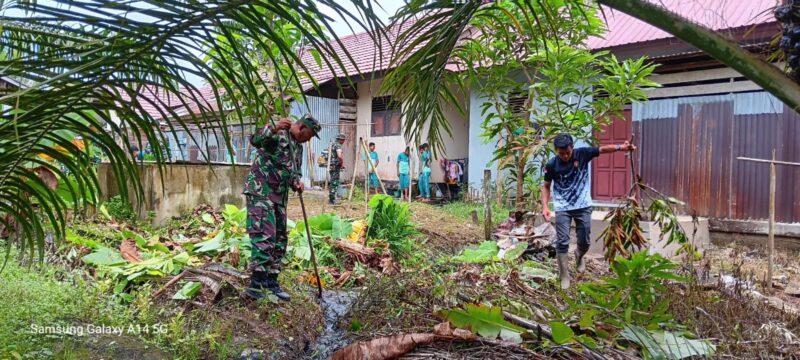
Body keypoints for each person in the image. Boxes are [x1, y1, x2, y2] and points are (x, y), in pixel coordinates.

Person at [541, 134, 635, 289]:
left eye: (567, 152)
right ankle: (564, 275)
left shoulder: (582, 154)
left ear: (572, 147)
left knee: (585, 241)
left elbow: (603, 149)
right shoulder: (552, 164)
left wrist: (621, 147)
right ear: (556, 151)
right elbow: (545, 186)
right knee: (562, 241)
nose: (564, 156)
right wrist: (545, 206)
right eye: (561, 153)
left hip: (583, 205)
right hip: (562, 207)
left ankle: (579, 255)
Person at [243, 114, 320, 300]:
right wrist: (274, 127)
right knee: (264, 235)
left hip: (279, 197)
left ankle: (271, 282)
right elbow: (255, 140)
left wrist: (297, 183)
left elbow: (293, 172)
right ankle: (256, 285)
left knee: (280, 238)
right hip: (262, 192)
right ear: (301, 127)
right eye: (309, 135)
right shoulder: (279, 134)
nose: (309, 139)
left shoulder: (298, 148)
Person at [328, 134, 346, 205]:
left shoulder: (332, 145)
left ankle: (331, 198)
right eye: (343, 140)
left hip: (331, 165)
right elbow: (339, 156)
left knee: (332, 181)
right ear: (341, 140)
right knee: (334, 182)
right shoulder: (338, 145)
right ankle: (332, 200)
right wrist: (342, 163)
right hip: (335, 166)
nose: (344, 141)